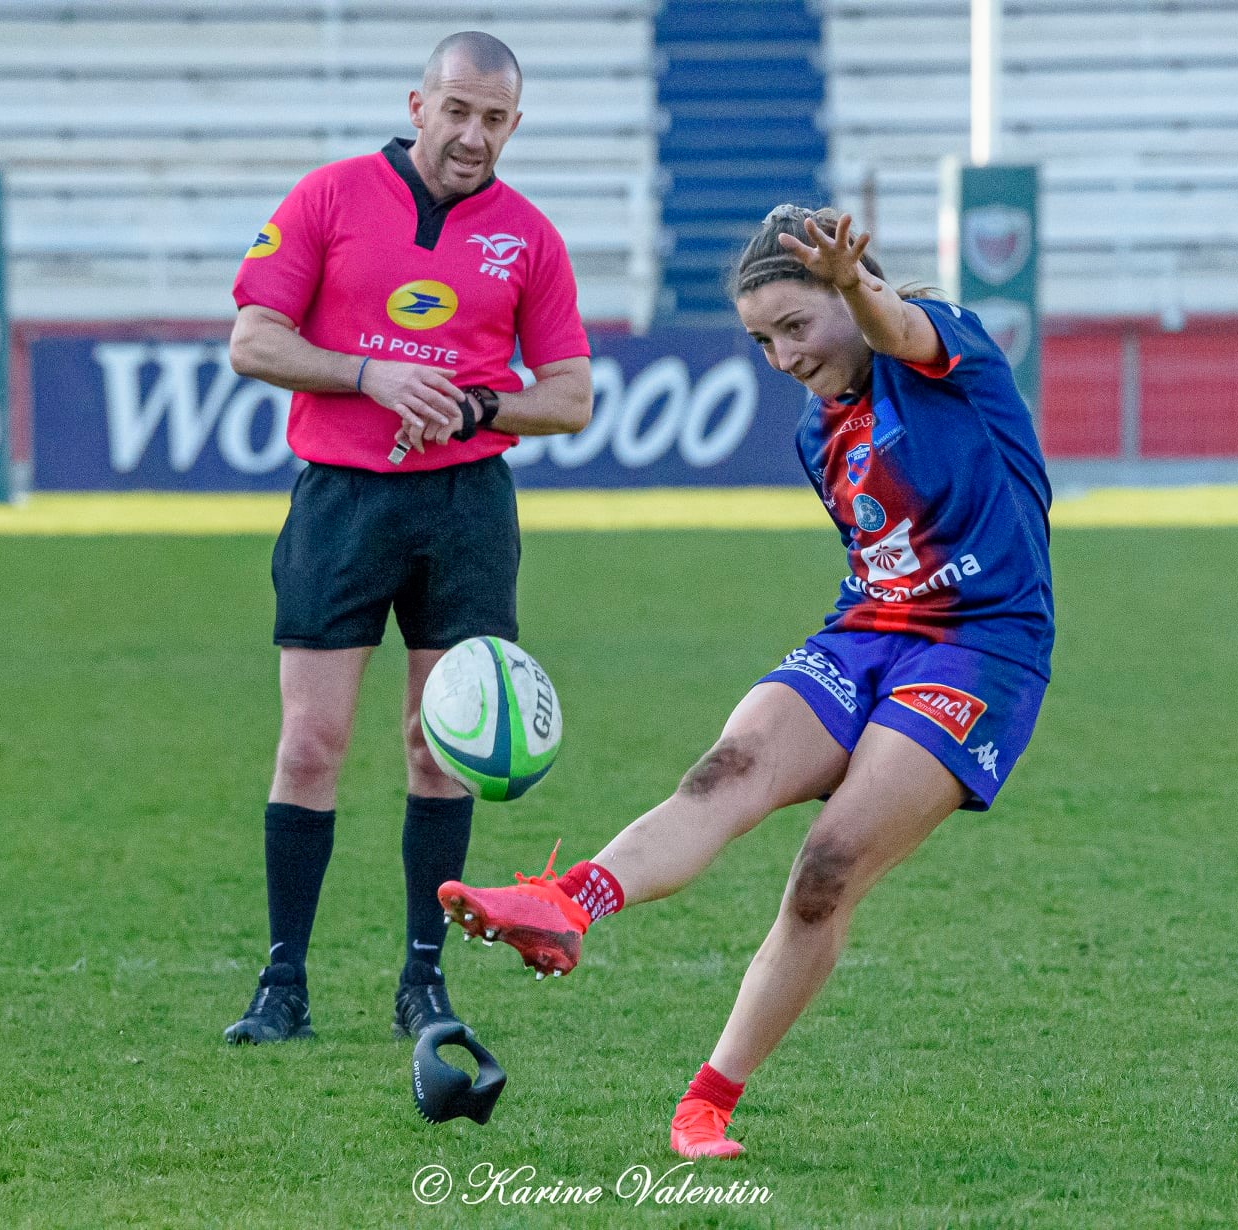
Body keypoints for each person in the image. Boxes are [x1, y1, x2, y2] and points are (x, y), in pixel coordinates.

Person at [438, 206, 1053, 1157]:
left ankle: (707, 1101)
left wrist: (857, 286)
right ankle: (566, 905)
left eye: (795, 327)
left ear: (851, 296)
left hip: (980, 646)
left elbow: (897, 327)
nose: (780, 356)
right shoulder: (820, 436)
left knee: (826, 871)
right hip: (868, 631)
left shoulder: (949, 348)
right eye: (762, 339)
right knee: (724, 772)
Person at [221, 31, 593, 1046]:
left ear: (516, 125)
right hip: (343, 501)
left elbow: (569, 397)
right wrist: (370, 375)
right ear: (419, 103)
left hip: (465, 508)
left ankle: (422, 982)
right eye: (458, 110)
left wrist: (473, 409)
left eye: (496, 119)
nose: (474, 135)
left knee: (440, 750)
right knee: (310, 744)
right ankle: (282, 983)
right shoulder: (329, 197)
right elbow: (252, 339)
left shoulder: (530, 239)